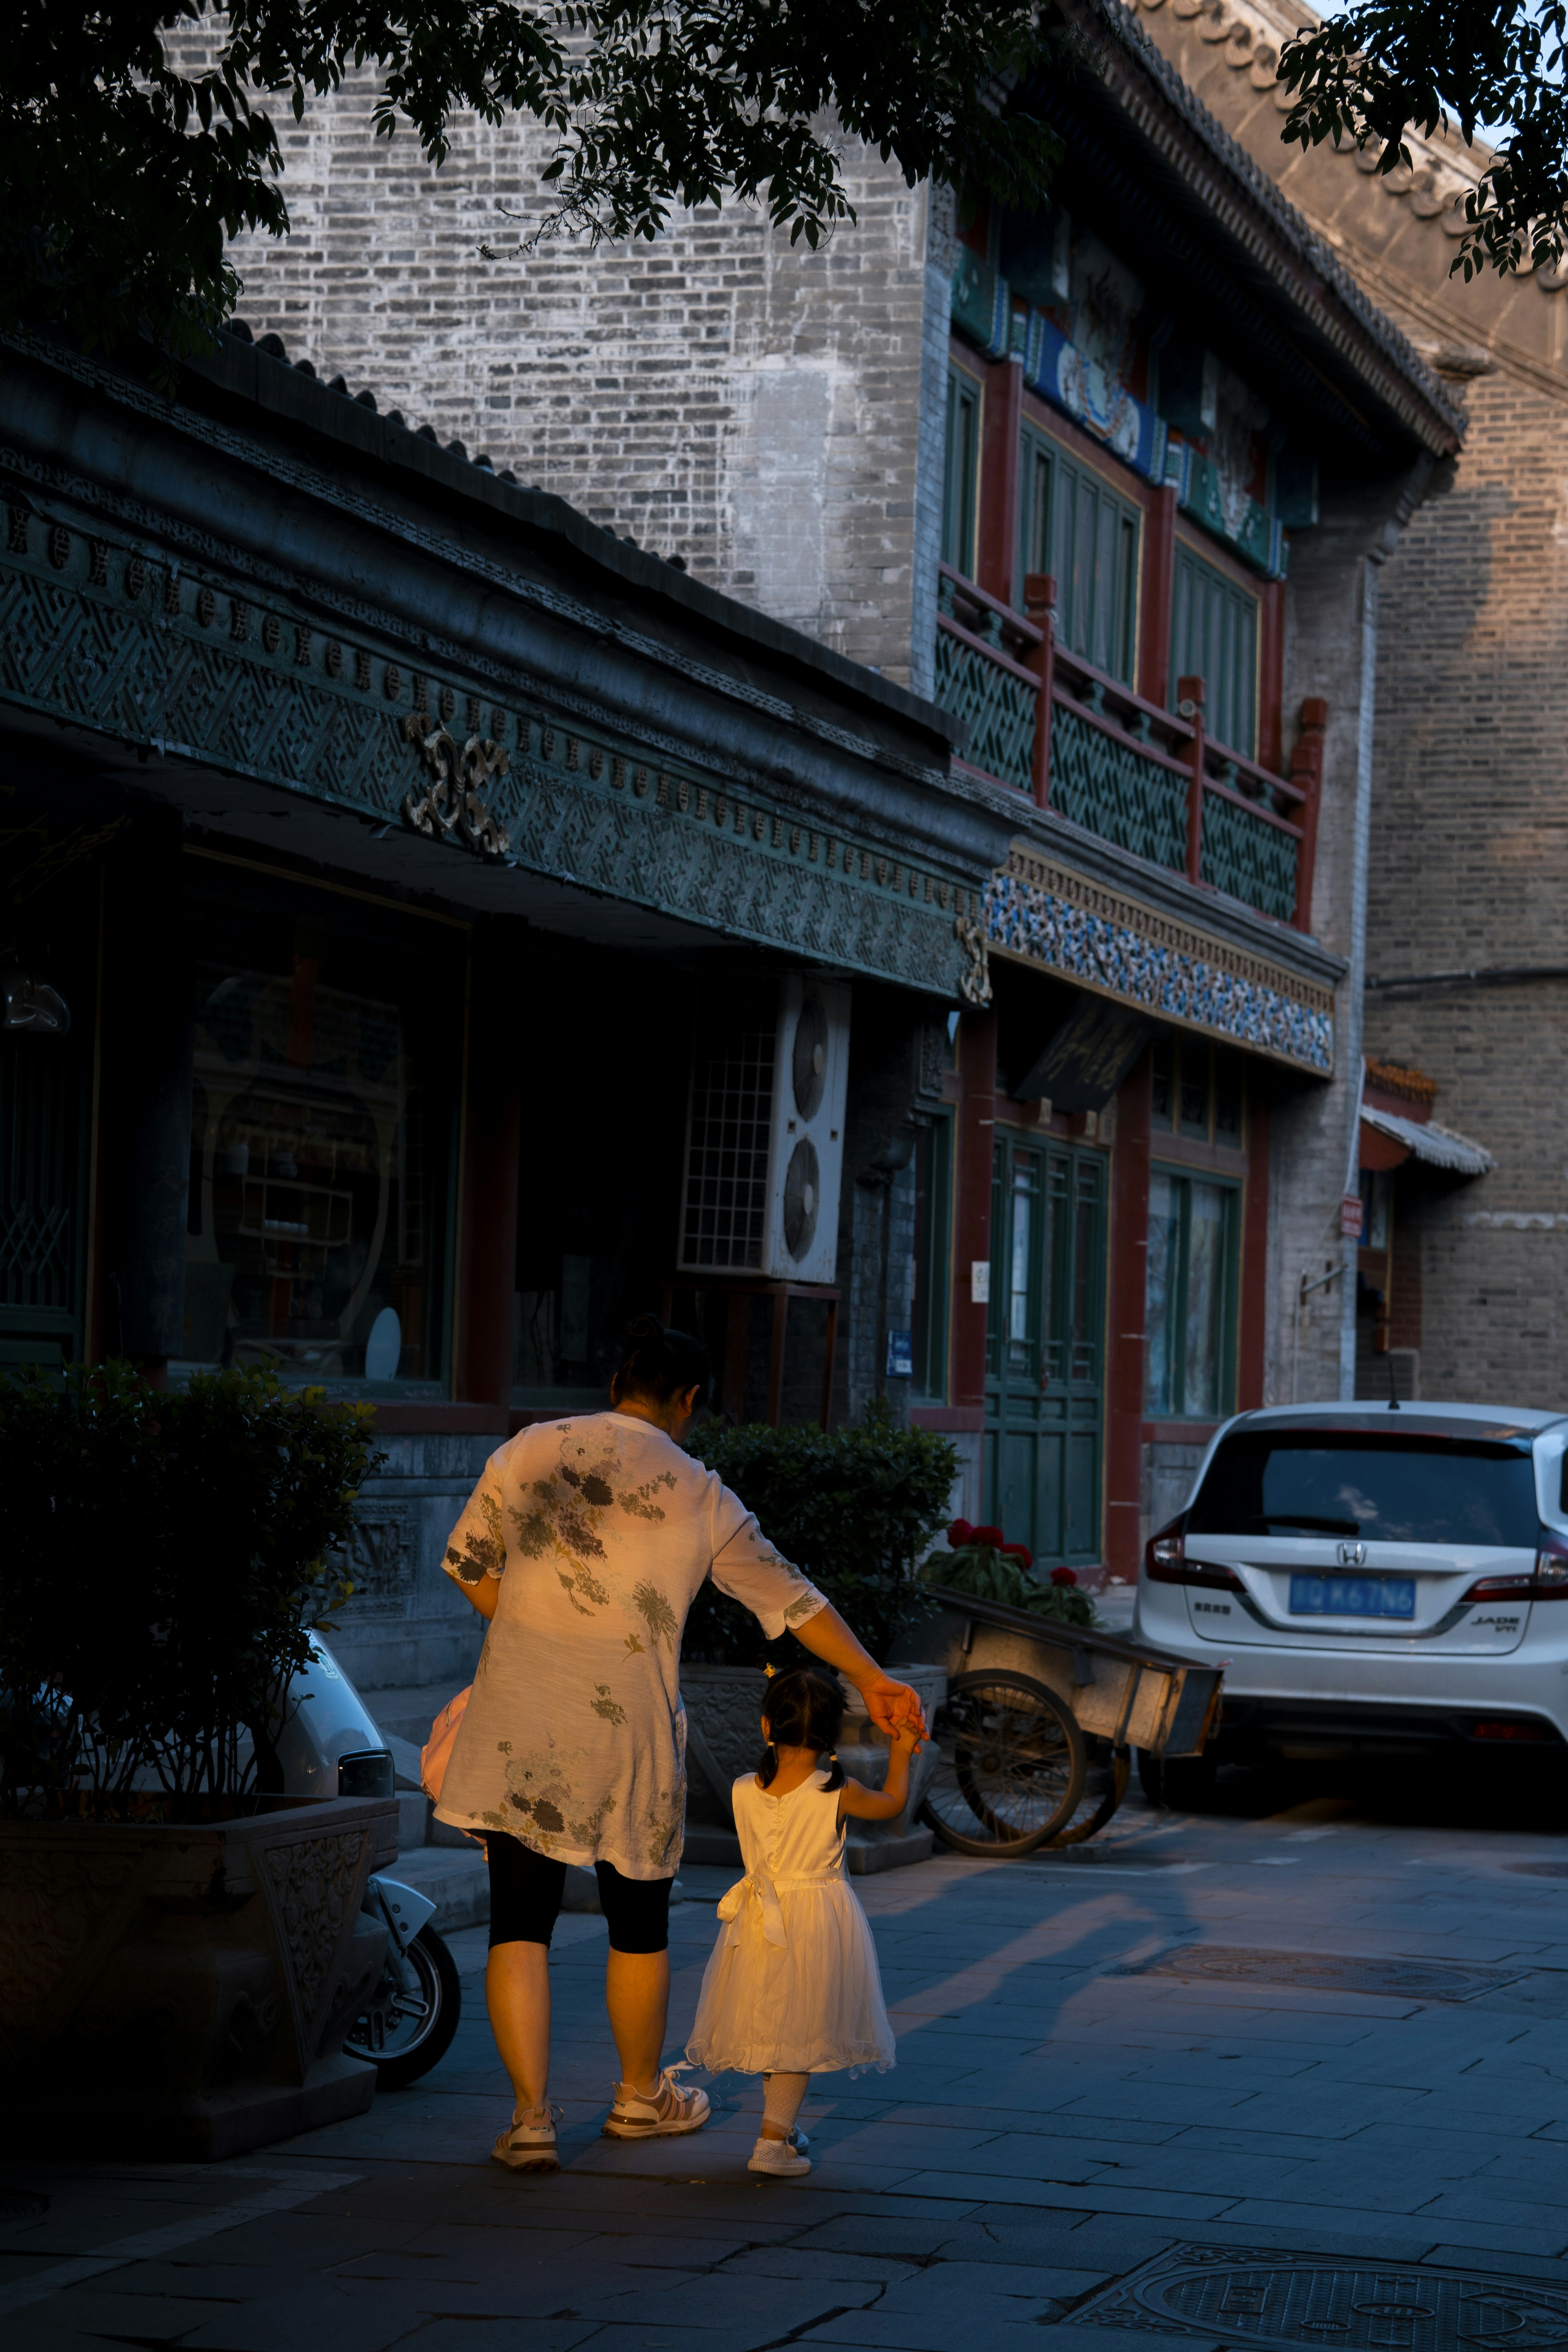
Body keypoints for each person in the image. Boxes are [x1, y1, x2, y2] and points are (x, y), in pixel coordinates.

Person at [434, 1316, 927, 2174]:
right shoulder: (700, 1493)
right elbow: (794, 1600)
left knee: (518, 1922)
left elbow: (470, 1567)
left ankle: (530, 2121)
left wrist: (539, 1635)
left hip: (523, 1714)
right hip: (630, 1726)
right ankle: (638, 2099)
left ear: (616, 1384)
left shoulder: (527, 1451)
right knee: (637, 1922)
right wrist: (872, 1677)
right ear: (689, 1401)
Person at [685, 1667, 915, 2177]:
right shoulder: (838, 1791)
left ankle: (784, 2130)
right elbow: (894, 1805)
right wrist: (901, 1750)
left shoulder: (742, 1789)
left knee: (776, 2022)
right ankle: (770, 2145)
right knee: (800, 2030)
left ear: (767, 1726)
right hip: (815, 1921)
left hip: (754, 1921)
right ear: (832, 1734)